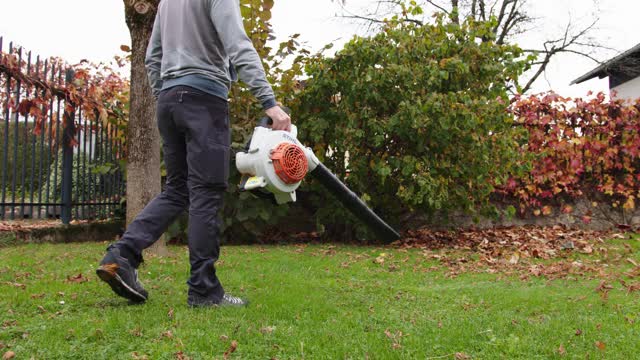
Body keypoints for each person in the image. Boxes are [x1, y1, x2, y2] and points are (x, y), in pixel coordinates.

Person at [96, 0, 291, 307]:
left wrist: (167, 95)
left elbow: (152, 57)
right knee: (206, 192)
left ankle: (121, 255)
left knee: (177, 190)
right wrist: (269, 101)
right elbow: (238, 45)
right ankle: (203, 291)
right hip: (204, 101)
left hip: (170, 101)